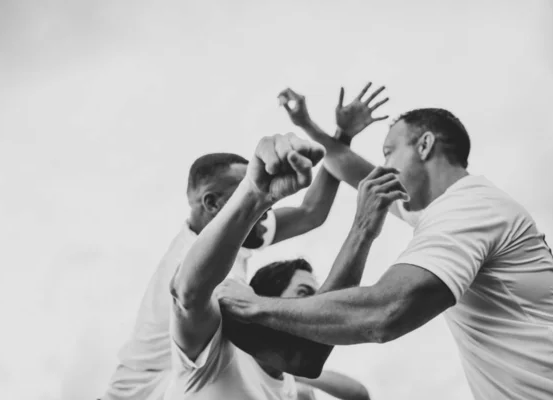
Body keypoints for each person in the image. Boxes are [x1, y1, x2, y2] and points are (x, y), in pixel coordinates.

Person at [217, 89, 553, 400]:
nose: (382, 167)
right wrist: (320, 129)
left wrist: (254, 306)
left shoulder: (467, 211)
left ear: (424, 146)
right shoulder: (453, 207)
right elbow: (349, 168)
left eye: (389, 152)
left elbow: (384, 313)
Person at [101, 90, 393, 400]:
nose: (266, 209)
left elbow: (310, 213)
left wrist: (342, 136)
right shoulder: (200, 271)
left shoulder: (237, 242)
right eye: (248, 193)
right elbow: (303, 354)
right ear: (213, 204)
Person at [165, 133, 393, 399]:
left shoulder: (288, 387)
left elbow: (355, 393)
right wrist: (255, 193)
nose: (319, 305)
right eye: (304, 294)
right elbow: (188, 293)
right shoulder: (215, 351)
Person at [249, 259, 370, 400]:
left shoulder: (291, 386)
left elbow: (359, 395)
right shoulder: (225, 347)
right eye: (304, 293)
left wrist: (293, 370)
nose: (314, 307)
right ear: (268, 298)